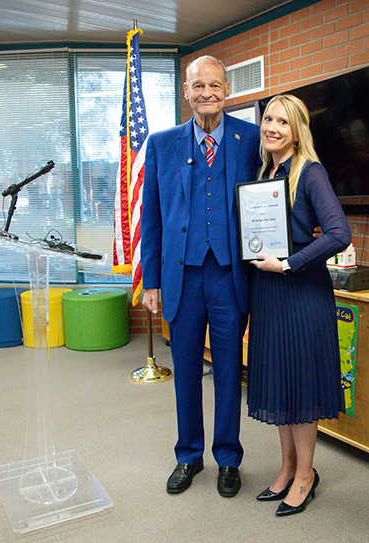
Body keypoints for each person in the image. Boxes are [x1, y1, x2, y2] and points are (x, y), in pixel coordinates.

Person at [140, 55, 261, 498]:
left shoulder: (252, 138)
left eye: (215, 85)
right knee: (187, 370)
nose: (207, 93)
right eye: (198, 86)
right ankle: (189, 455)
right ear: (186, 92)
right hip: (182, 277)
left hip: (230, 276)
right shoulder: (162, 144)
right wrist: (150, 281)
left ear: (227, 90)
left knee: (229, 371)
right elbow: (151, 217)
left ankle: (228, 457)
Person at [246, 95, 351, 517]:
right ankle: (287, 467)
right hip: (268, 293)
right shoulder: (265, 173)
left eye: (283, 122)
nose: (272, 128)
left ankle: (306, 474)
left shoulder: (310, 172)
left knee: (301, 387)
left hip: (302, 292)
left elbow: (339, 233)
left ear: (297, 131)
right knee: (281, 383)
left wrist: (289, 263)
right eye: (268, 119)